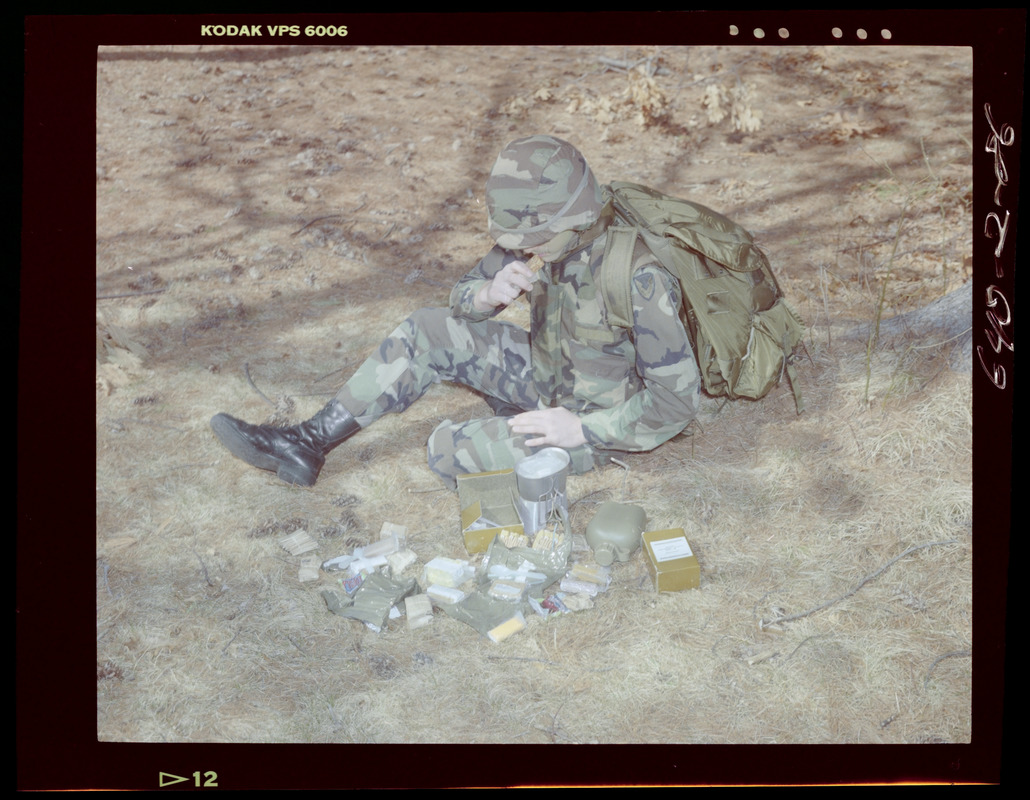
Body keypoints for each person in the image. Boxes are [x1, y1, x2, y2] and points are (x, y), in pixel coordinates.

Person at [210, 135, 701, 489]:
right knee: (427, 329)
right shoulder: (539, 235)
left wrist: (582, 430)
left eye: (531, 242)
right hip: (550, 372)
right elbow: (460, 296)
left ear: (573, 219)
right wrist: (487, 293)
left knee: (444, 450)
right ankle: (307, 440)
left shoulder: (636, 275)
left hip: (600, 418)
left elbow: (676, 402)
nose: (521, 250)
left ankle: (544, 431)